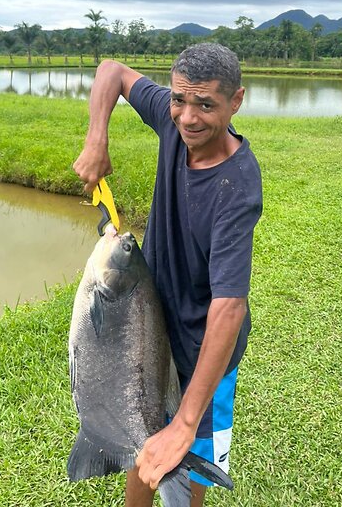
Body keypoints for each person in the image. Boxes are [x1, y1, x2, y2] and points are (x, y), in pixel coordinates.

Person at [73, 43, 262, 507]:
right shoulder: (173, 121)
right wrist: (97, 140)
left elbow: (229, 306)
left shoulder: (237, 189)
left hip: (204, 350)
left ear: (235, 101)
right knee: (146, 446)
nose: (188, 117)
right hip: (152, 328)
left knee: (185, 458)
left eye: (206, 104)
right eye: (180, 99)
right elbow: (112, 71)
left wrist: (184, 422)